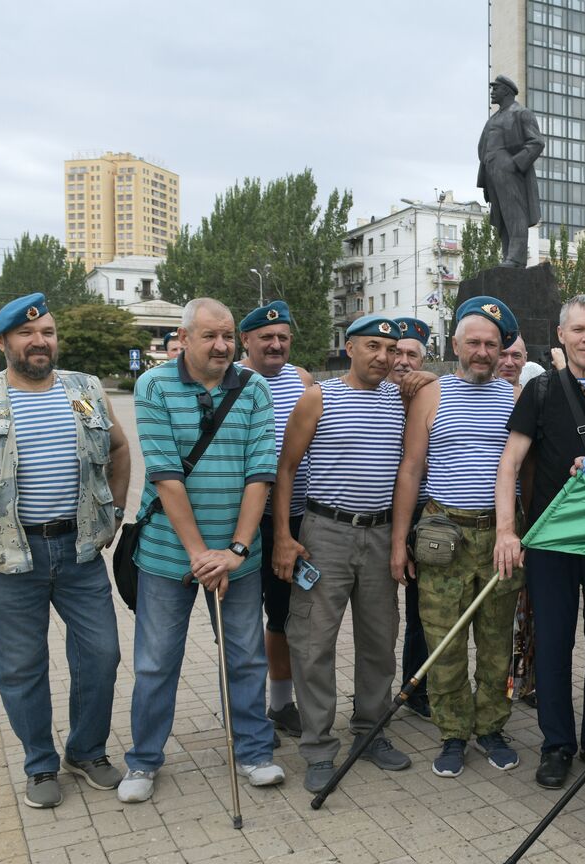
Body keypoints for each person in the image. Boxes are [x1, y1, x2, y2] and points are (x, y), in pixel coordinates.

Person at [0, 292, 128, 809]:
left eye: (48, 333)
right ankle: (39, 762)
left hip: (79, 551)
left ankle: (86, 751)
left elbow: (120, 449)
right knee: (21, 666)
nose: (40, 341)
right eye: (27, 333)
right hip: (6, 558)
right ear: (2, 342)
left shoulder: (85, 389)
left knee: (102, 654)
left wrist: (115, 514)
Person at [118, 298, 283, 803]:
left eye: (228, 335)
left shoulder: (253, 388)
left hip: (239, 557)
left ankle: (254, 751)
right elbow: (165, 475)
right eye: (210, 335)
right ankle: (143, 761)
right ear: (183, 338)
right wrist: (198, 554)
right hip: (170, 556)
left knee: (246, 658)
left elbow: (261, 473)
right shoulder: (153, 385)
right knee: (155, 662)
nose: (222, 345)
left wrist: (234, 549)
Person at [494, 295, 585, 788]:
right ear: (561, 335)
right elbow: (509, 464)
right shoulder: (539, 390)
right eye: (578, 330)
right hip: (551, 540)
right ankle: (555, 744)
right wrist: (506, 531)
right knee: (554, 644)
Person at [274, 314, 411, 792]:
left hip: (378, 535)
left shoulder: (402, 399)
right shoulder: (319, 396)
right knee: (313, 643)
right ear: (348, 347)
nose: (383, 356)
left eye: (391, 349)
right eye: (372, 345)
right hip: (325, 533)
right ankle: (316, 746)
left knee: (379, 639)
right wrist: (283, 538)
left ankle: (370, 732)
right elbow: (286, 469)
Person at [392, 297, 524, 778]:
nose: (483, 351)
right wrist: (398, 543)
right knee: (443, 644)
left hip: (498, 539)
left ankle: (491, 727)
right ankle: (452, 733)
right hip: (442, 537)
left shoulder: (516, 397)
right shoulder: (432, 394)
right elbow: (411, 469)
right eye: (474, 342)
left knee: (495, 644)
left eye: (492, 344)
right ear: (455, 344)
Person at [237, 300, 313, 742]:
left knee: (285, 614)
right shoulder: (232, 381)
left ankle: (281, 703)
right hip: (245, 522)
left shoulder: (301, 379)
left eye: (283, 336)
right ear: (246, 340)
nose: (276, 344)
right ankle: (244, 709)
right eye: (266, 337)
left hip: (298, 517)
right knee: (243, 619)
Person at [390, 316, 433, 720]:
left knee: (422, 608)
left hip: (422, 514)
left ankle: (416, 688)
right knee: (381, 614)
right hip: (373, 516)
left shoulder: (430, 391)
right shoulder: (374, 391)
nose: (402, 361)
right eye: (396, 352)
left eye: (411, 354)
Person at [476, 75, 545, 268]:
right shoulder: (493, 119)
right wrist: (485, 179)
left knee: (515, 213)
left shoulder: (521, 113)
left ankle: (516, 258)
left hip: (509, 170)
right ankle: (508, 256)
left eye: (495, 88)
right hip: (492, 172)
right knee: (501, 217)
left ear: (506, 90)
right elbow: (484, 149)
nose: (492, 92)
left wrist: (514, 163)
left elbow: (537, 142)